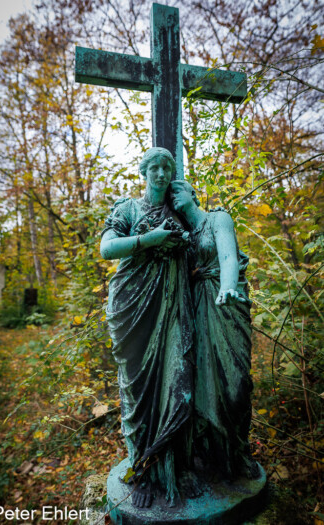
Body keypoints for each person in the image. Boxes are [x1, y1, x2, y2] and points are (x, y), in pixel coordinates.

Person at [100, 148, 197, 508]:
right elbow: (107, 248)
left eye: (167, 167)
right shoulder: (129, 209)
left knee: (178, 385)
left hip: (173, 311)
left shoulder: (180, 212)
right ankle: (142, 471)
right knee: (138, 391)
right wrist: (149, 239)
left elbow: (200, 251)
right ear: (144, 172)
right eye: (154, 167)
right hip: (132, 308)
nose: (160, 173)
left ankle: (175, 471)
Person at [170, 180, 259, 481]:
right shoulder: (181, 236)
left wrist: (228, 287)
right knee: (201, 385)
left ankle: (238, 451)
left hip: (225, 305)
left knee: (234, 384)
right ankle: (212, 456)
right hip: (196, 309)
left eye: (176, 190)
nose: (172, 197)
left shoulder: (217, 218)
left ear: (192, 193)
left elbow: (228, 257)